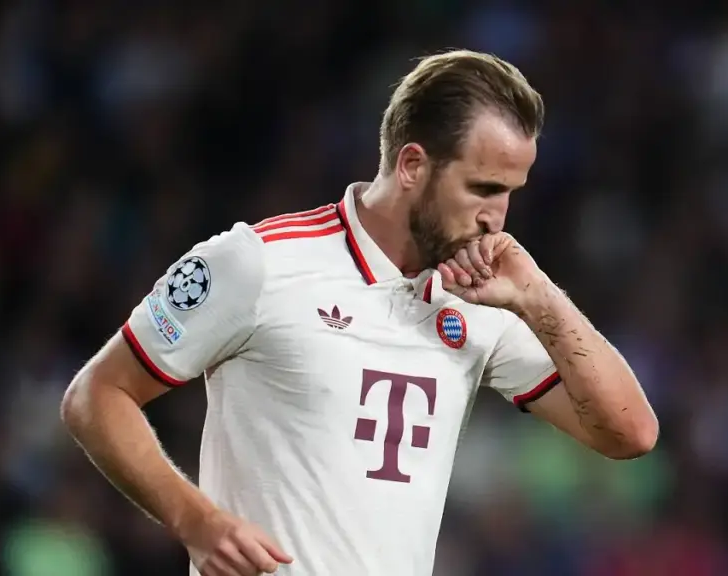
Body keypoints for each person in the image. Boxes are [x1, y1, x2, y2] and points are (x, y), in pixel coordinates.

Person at [61, 49, 658, 576]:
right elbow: (97, 394)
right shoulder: (259, 264)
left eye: (510, 193)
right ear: (412, 165)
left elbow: (630, 432)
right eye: (482, 188)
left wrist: (541, 296)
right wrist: (195, 520)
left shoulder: (484, 299)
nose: (497, 217)